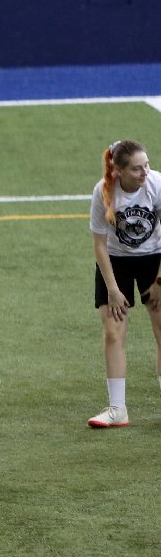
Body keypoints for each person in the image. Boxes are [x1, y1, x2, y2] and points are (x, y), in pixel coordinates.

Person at [86, 139, 161, 428]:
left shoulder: (156, 185)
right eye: (137, 168)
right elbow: (99, 245)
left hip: (154, 258)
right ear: (119, 171)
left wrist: (159, 282)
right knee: (113, 332)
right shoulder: (103, 192)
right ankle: (118, 409)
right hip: (115, 261)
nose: (145, 172)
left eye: (147, 165)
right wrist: (113, 290)